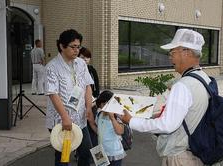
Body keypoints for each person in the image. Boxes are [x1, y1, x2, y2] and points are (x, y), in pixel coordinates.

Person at [121, 28, 211, 166]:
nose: (170, 57)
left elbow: (167, 125)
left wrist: (132, 121)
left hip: (180, 158)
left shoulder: (183, 86)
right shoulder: (204, 78)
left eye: (172, 52)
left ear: (186, 52)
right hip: (197, 154)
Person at [45, 29, 95, 166]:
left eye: (78, 47)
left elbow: (88, 86)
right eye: (73, 47)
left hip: (80, 117)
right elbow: (52, 93)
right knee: (64, 155)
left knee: (86, 152)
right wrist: (65, 117)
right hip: (61, 120)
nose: (76, 50)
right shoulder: (52, 67)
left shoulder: (81, 63)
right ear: (62, 46)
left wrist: (89, 108)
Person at [95, 90, 126, 166]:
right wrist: (90, 121)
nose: (104, 106)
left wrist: (112, 118)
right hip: (100, 151)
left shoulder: (117, 116)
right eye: (102, 103)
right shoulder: (99, 114)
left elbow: (120, 131)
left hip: (114, 152)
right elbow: (99, 130)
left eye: (107, 103)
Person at [78, 47, 100, 147]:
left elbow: (96, 91)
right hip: (78, 106)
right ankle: (80, 153)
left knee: (93, 130)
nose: (85, 60)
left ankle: (95, 155)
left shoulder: (92, 70)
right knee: (80, 130)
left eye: (87, 57)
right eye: (82, 57)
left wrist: (92, 103)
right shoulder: (75, 72)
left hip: (92, 104)